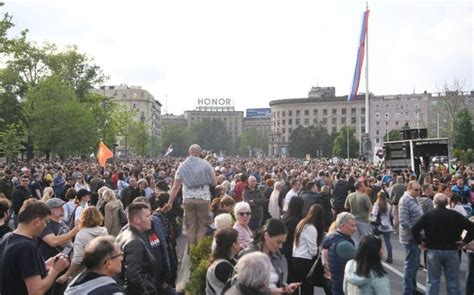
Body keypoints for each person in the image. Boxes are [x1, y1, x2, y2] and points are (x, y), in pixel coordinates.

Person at [0, 199, 69, 295]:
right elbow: (36, 291)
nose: (45, 226)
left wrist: (43, 266)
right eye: (45, 221)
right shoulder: (27, 247)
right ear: (37, 221)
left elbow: (17, 271)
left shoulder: (7, 237)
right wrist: (55, 270)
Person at [412, 193, 474, 295]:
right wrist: (464, 241)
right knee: (453, 282)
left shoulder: (428, 215)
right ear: (447, 202)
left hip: (433, 250)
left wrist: (420, 242)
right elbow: (471, 228)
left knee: (432, 281)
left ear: (434, 202)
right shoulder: (455, 215)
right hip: (452, 250)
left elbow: (414, 229)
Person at [164, 144, 217, 247]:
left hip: (188, 199)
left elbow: (175, 187)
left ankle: (192, 250)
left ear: (189, 152)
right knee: (202, 225)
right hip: (203, 198)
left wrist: (170, 202)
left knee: (191, 226)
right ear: (200, 152)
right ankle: (199, 250)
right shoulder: (206, 164)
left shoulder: (182, 166)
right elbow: (214, 182)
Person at [239, 218, 300, 294]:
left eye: (282, 243)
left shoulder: (277, 255)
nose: (280, 246)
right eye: (278, 242)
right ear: (266, 236)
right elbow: (240, 285)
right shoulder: (248, 255)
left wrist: (284, 287)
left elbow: (276, 280)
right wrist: (270, 292)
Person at [57, 206, 108, 284]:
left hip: (84, 273)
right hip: (102, 270)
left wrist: (66, 275)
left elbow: (77, 258)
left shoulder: (81, 235)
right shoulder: (104, 232)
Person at [116, 202, 157, 294]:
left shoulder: (123, 234)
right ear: (137, 220)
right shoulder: (135, 242)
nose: (151, 218)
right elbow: (133, 276)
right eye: (147, 216)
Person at [322, 212, 357, 295]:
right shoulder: (344, 245)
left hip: (334, 282)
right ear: (342, 226)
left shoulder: (332, 238)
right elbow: (360, 264)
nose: (355, 229)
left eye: (355, 225)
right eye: (352, 226)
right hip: (342, 285)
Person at [292, 204, 325, 295]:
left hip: (295, 257)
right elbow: (313, 251)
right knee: (307, 288)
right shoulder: (311, 228)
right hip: (305, 260)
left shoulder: (302, 223)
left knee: (296, 285)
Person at [399, 180, 424, 295]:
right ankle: (407, 291)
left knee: (414, 265)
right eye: (416, 190)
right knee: (410, 266)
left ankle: (412, 289)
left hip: (416, 237)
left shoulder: (414, 199)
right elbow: (404, 221)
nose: (418, 192)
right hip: (411, 237)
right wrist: (416, 233)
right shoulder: (405, 200)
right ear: (409, 189)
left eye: (419, 189)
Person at [206, 228, 240, 295]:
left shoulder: (230, 260)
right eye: (238, 240)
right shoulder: (222, 266)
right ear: (234, 245)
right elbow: (238, 287)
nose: (240, 243)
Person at [280, 196, 304, 282]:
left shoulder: (287, 217)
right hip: (292, 249)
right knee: (293, 273)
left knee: (291, 272)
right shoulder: (295, 220)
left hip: (287, 249)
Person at [371, 191, 393, 263]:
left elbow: (374, 214)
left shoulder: (377, 204)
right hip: (387, 225)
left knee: (377, 240)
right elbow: (391, 215)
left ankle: (377, 255)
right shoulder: (388, 204)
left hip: (379, 225)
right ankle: (390, 256)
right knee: (388, 241)